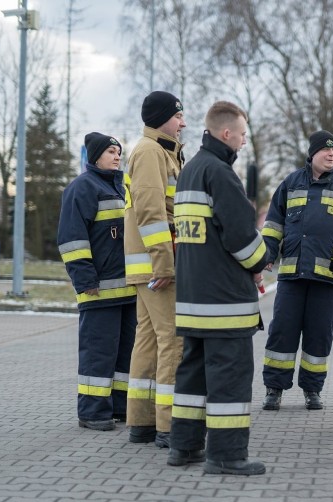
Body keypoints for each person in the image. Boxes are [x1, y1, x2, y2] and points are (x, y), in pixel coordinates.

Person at [168, 101, 271, 475]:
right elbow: (242, 241)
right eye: (242, 134)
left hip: (193, 300)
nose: (244, 141)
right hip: (225, 304)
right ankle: (226, 455)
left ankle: (184, 446)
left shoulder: (191, 170)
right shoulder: (222, 175)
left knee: (192, 377)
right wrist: (264, 258)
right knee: (229, 380)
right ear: (226, 133)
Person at [260, 131, 333, 411]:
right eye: (326, 151)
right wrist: (268, 253)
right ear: (312, 154)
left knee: (319, 336)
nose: (331, 155)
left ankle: (312, 390)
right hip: (292, 276)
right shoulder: (291, 183)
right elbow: (274, 223)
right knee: (282, 333)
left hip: (327, 279)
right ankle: (273, 390)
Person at [57, 132, 137, 431]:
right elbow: (71, 240)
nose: (117, 156)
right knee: (98, 354)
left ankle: (119, 407)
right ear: (95, 156)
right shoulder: (81, 188)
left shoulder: (124, 186)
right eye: (111, 151)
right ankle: (92, 412)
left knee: (125, 353)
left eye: (119, 151)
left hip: (129, 290)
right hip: (98, 289)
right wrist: (85, 279)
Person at [123, 91, 186, 448]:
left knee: (147, 341)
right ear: (162, 117)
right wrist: (164, 263)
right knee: (172, 341)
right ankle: (168, 424)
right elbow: (151, 212)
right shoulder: (150, 152)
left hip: (146, 265)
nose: (183, 122)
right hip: (158, 265)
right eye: (178, 116)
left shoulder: (159, 151)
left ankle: (142, 421)